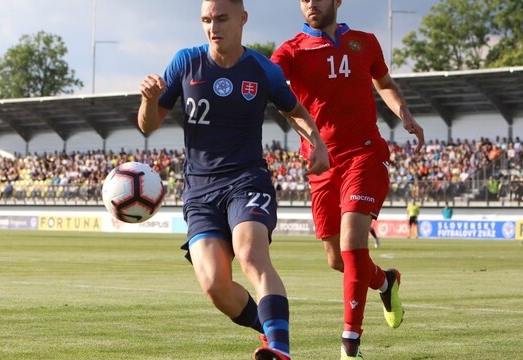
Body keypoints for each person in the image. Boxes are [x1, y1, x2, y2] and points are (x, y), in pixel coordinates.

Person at [137, 1, 330, 359]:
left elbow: (296, 111)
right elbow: (148, 124)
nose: (213, 27)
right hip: (199, 191)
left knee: (251, 255)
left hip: (247, 180)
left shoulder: (262, 70)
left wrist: (315, 142)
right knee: (215, 286)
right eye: (207, 20)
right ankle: (269, 328)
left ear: (242, 19)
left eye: (221, 19)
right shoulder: (185, 62)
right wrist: (148, 100)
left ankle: (280, 349)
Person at [271, 1, 425, 359]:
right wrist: (315, 142)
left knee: (353, 243)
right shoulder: (290, 51)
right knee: (337, 259)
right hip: (321, 163)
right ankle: (386, 282)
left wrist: (405, 113)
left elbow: (384, 82)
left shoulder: (365, 42)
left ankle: (349, 347)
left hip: (365, 154)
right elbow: (277, 96)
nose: (311, 3)